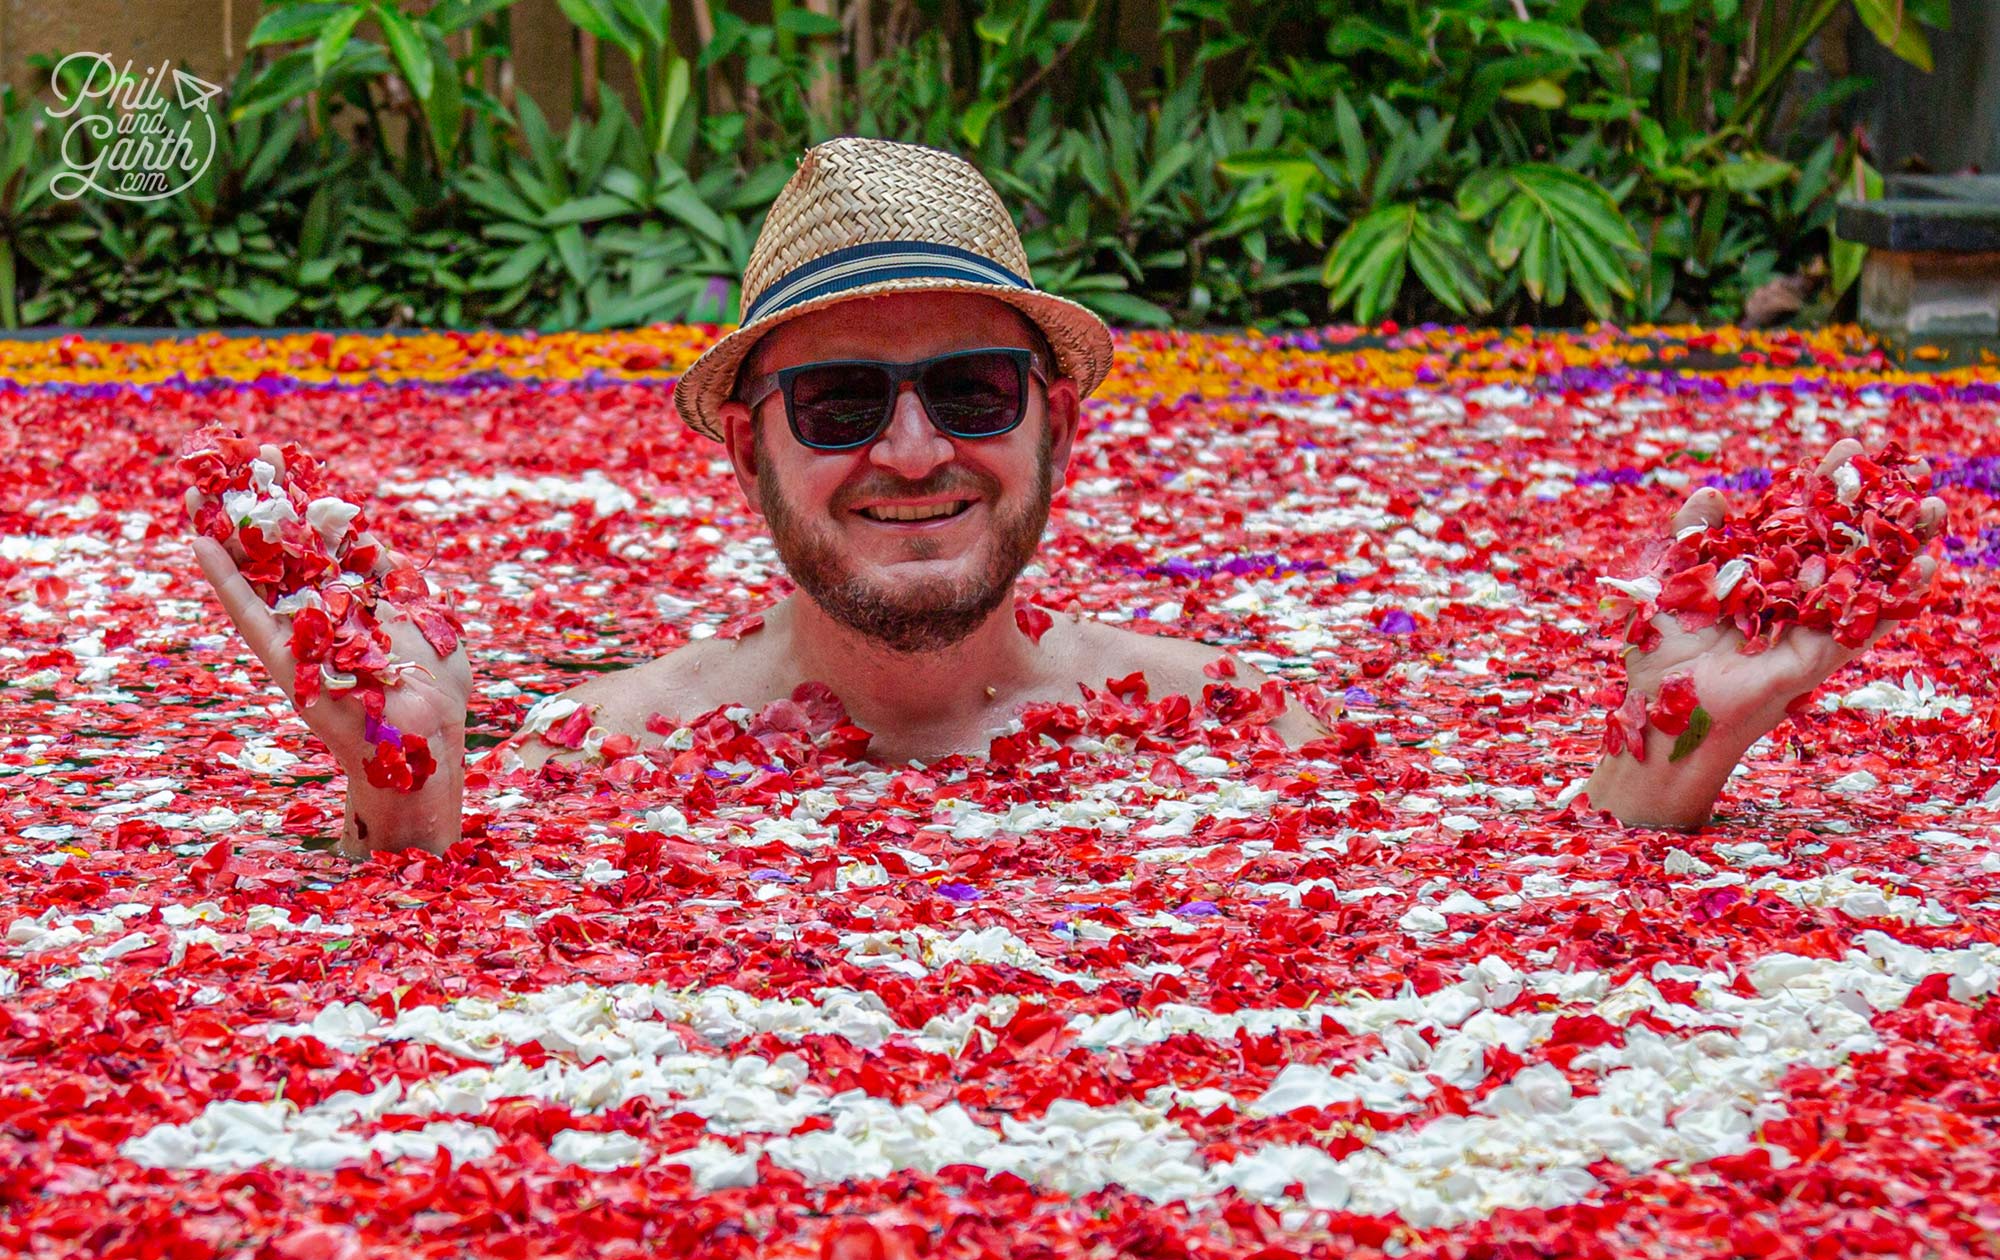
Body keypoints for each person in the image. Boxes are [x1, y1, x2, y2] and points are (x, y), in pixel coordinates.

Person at [188, 137, 1948, 858]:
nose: (908, 450)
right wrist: (405, 825)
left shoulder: (1247, 731)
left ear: (1055, 430)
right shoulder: (577, 764)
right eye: (836, 398)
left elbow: (1492, 896)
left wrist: (1649, 796)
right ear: (746, 447)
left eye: (968, 388)